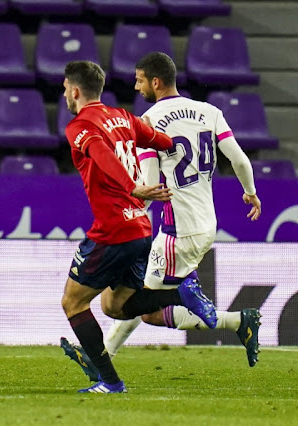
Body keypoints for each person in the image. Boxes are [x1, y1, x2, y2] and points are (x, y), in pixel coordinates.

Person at [61, 52, 262, 382]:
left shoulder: (151, 117)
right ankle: (103, 359)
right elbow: (238, 159)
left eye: (140, 80)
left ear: (155, 81)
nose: (137, 87)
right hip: (206, 222)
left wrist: (132, 200)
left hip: (174, 228)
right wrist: (250, 192)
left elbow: (146, 180)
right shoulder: (209, 112)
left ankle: (235, 322)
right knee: (131, 304)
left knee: (146, 305)